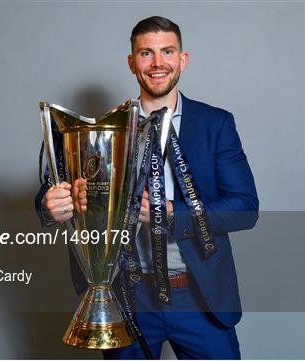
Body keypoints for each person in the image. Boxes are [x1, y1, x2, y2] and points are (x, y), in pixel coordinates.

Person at [36, 16, 258, 360]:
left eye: (167, 51)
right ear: (131, 63)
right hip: (128, 296)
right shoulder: (105, 129)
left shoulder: (215, 124)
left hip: (197, 297)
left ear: (182, 59)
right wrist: (50, 206)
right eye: (146, 53)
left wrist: (173, 214)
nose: (157, 63)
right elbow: (56, 187)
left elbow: (245, 207)